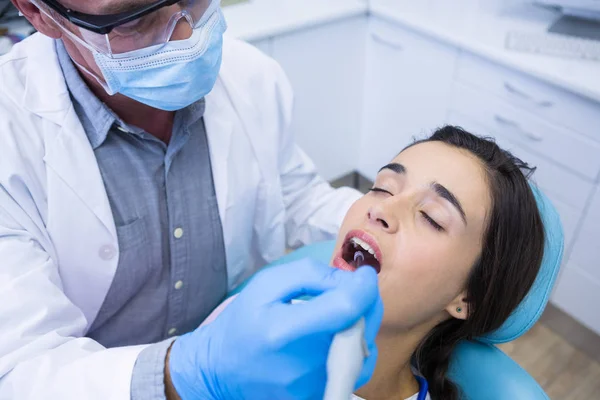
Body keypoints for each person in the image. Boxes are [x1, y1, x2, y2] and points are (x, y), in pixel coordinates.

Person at [0, 0, 382, 399]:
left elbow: (295, 198)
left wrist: (387, 220)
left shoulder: (252, 76)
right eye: (137, 19)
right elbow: (21, 371)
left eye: (193, 0)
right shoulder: (10, 137)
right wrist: (184, 373)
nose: (185, 37)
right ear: (40, 14)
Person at [203, 126, 546, 400]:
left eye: (431, 217)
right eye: (383, 187)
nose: (380, 209)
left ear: (466, 297)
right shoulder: (243, 326)